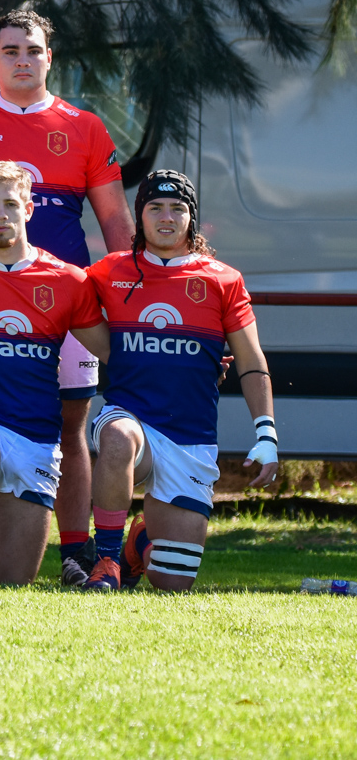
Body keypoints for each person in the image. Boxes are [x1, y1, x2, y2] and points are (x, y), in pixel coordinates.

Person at [0, 9, 135, 585]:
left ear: (49, 58)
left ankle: (76, 553)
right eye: (11, 51)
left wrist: (128, 298)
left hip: (67, 301)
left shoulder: (84, 126)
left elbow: (115, 220)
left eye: (33, 50)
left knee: (71, 423)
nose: (22, 60)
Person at [81, 170, 278, 591]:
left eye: (177, 208)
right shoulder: (109, 272)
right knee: (116, 437)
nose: (166, 217)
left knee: (172, 581)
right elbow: (55, 289)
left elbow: (250, 360)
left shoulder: (224, 279)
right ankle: (107, 561)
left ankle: (138, 543)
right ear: (140, 216)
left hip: (191, 437)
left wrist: (266, 434)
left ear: (192, 217)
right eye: (155, 208)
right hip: (131, 418)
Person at [0, 160, 106, 586]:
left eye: (10, 204)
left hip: (35, 438)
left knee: (13, 580)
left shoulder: (67, 280)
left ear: (28, 209)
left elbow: (113, 352)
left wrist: (195, 370)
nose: (0, 214)